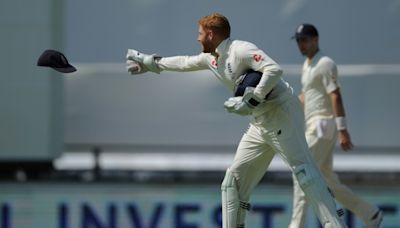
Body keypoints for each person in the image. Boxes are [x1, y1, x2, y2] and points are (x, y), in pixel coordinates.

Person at [126, 13, 346, 228]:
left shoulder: (240, 49)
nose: (197, 38)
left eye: (200, 33)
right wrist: (150, 63)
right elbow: (184, 62)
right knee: (232, 182)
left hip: (281, 113)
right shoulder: (211, 58)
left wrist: (253, 99)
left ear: (211, 34)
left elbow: (273, 69)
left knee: (304, 173)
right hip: (259, 122)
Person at [289, 23, 383, 228]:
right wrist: (289, 109)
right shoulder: (308, 65)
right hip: (313, 126)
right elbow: (308, 96)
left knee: (302, 172)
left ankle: (297, 225)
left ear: (316, 40)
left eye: (304, 40)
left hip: (322, 125)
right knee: (327, 180)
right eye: (298, 41)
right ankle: (370, 213)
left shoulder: (325, 63)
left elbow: (335, 95)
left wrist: (343, 129)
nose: (301, 45)